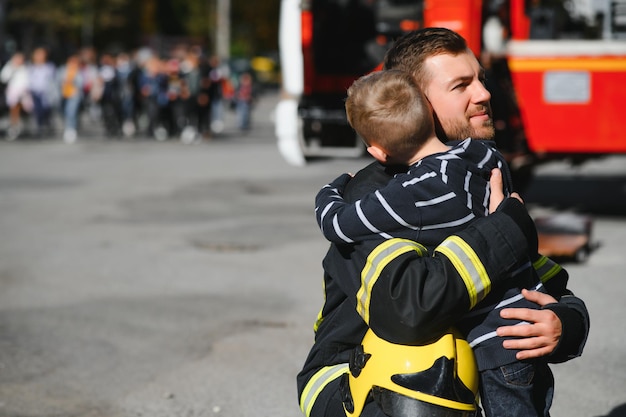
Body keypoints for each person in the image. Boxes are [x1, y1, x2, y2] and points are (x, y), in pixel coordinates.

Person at [297, 27, 589, 417]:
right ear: (418, 103)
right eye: (461, 85)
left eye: (480, 80)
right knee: (424, 363)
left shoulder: (472, 174)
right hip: (348, 381)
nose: (484, 94)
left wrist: (564, 323)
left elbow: (535, 276)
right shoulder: (377, 196)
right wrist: (507, 227)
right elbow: (407, 309)